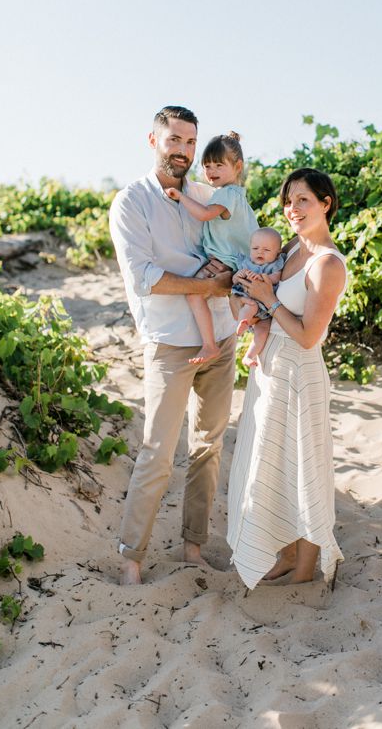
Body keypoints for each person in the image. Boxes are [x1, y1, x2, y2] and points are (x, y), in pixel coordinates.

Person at [109, 105, 236, 586]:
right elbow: (144, 278)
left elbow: (237, 255)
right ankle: (131, 558)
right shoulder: (131, 202)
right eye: (174, 140)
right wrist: (204, 286)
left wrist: (224, 279)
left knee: (209, 446)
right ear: (153, 140)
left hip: (220, 337)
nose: (183, 150)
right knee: (158, 450)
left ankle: (193, 547)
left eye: (190, 141)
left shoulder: (207, 195)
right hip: (169, 345)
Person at [226, 168, 348, 587]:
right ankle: (282, 553)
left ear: (325, 203)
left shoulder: (326, 263)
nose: (292, 210)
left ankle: (304, 569)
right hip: (271, 367)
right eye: (288, 201)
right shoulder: (292, 247)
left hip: (300, 369)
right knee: (271, 464)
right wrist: (244, 290)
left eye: (303, 201)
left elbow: (309, 336)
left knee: (304, 465)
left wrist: (266, 299)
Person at [164, 131, 259, 365]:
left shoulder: (226, 194)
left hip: (226, 260)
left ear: (238, 167)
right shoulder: (235, 195)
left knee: (195, 294)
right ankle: (252, 327)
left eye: (218, 165)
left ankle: (209, 345)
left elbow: (205, 215)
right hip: (236, 260)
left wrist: (180, 198)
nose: (211, 171)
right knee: (238, 300)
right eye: (207, 166)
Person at [231, 226, 287, 367]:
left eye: (266, 250)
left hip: (267, 309)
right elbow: (235, 280)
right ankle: (242, 323)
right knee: (250, 306)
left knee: (263, 330)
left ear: (278, 252)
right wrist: (237, 276)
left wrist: (262, 277)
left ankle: (249, 355)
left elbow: (276, 278)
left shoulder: (275, 264)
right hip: (250, 300)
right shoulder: (246, 263)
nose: (260, 252)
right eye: (255, 248)